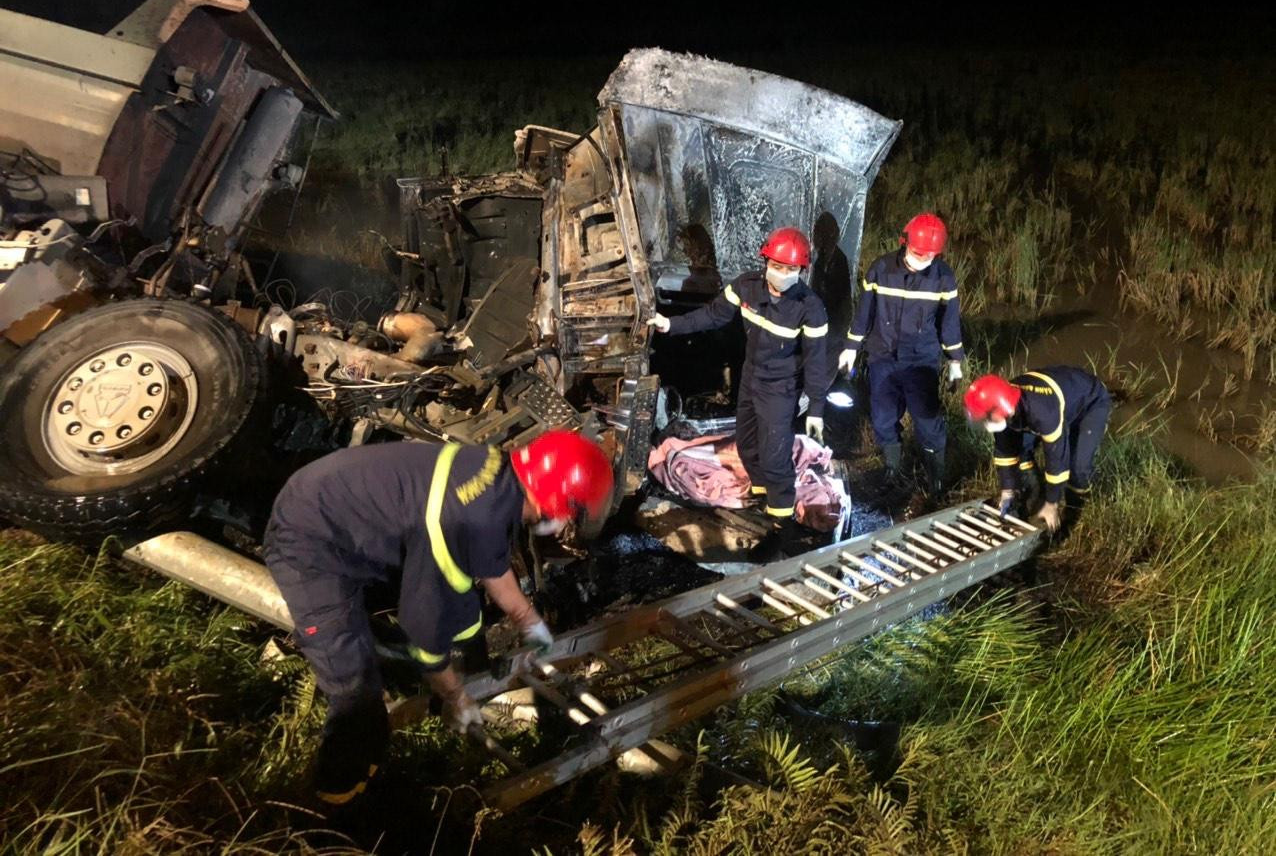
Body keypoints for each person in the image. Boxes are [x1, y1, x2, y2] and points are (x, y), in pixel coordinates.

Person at [263, 430, 613, 806]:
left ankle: (415, 691)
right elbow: (423, 632)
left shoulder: (497, 476)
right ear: (557, 502)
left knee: (460, 613)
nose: (567, 523)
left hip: (338, 508)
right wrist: (455, 696)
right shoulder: (465, 519)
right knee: (355, 689)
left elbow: (491, 564)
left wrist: (528, 620)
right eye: (573, 513)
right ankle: (334, 799)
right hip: (310, 540)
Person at [648, 226, 829, 563]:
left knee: (775, 459)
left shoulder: (810, 308)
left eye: (791, 268)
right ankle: (763, 496)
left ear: (802, 270)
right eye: (777, 265)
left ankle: (781, 529)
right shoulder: (746, 286)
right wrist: (671, 325)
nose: (782, 273)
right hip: (751, 379)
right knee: (746, 444)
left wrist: (816, 407)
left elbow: (817, 361)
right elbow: (713, 314)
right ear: (765, 261)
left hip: (781, 389)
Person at [837, 213, 964, 498]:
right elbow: (864, 314)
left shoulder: (943, 278)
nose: (924, 259)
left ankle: (935, 480)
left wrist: (955, 361)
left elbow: (949, 324)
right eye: (919, 253)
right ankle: (892, 469)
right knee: (883, 416)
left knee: (927, 419)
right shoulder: (880, 269)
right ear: (903, 242)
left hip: (921, 360)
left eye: (930, 255)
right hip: (882, 356)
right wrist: (851, 348)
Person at [963, 367, 1111, 532]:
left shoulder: (1043, 411)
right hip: (1058, 399)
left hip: (1091, 402)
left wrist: (1052, 504)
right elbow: (1005, 452)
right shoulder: (1004, 402)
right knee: (1022, 452)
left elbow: (1056, 458)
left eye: (986, 417)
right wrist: (1007, 489)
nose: (985, 422)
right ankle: (1035, 491)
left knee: (1078, 467)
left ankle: (1074, 510)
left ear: (1001, 409)